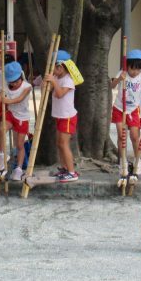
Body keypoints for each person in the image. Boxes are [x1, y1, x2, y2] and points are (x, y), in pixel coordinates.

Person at [0, 61, 32, 180]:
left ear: (21, 77)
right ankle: (3, 154)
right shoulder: (6, 86)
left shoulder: (26, 86)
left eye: (16, 81)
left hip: (22, 117)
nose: (13, 84)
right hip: (11, 114)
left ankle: (19, 168)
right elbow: (0, 96)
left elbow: (19, 99)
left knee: (19, 144)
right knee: (2, 128)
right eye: (11, 82)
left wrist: (6, 101)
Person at [110, 49, 141, 176]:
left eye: (138, 69)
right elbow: (112, 86)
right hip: (120, 108)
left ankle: (138, 161)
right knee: (121, 135)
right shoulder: (123, 73)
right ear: (127, 66)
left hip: (133, 110)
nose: (135, 72)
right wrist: (119, 79)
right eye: (132, 69)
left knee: (135, 136)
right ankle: (123, 161)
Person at [46, 50, 79, 182]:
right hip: (60, 116)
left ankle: (72, 172)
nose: (52, 70)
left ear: (60, 67)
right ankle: (64, 168)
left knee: (64, 144)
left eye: (53, 67)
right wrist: (49, 82)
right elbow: (50, 91)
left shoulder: (68, 80)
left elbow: (59, 94)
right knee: (59, 143)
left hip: (68, 117)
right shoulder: (58, 79)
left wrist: (53, 82)